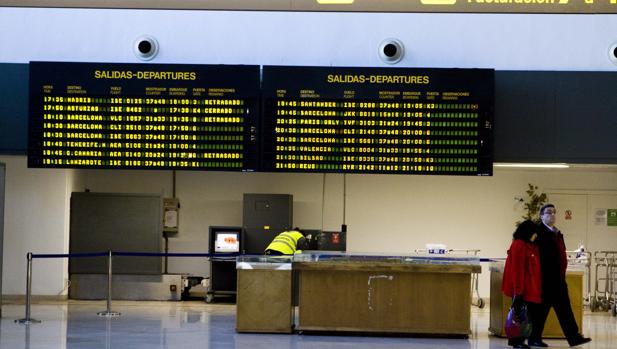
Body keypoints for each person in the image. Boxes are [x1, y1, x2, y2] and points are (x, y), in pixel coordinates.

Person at [528, 203, 591, 347]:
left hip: (559, 280)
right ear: (541, 216)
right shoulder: (538, 233)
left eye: (554, 212)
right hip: (545, 280)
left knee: (565, 310)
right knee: (540, 312)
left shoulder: (557, 233)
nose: (552, 215)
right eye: (548, 212)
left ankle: (574, 337)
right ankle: (534, 338)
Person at [502, 220, 542, 349]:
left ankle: (519, 341)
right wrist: (518, 292)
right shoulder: (519, 245)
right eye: (534, 232)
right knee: (518, 315)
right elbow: (518, 269)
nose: (536, 235)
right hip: (520, 287)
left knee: (523, 315)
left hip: (526, 287)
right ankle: (516, 341)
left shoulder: (527, 244)